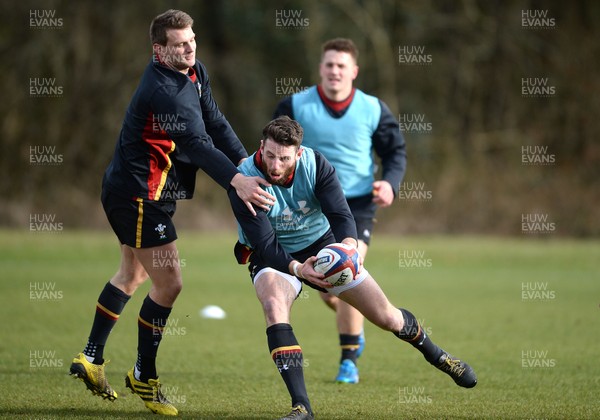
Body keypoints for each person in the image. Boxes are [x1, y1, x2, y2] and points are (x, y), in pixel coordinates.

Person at [69, 9, 275, 416]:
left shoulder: (193, 70)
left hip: (136, 191)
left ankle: (91, 357)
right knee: (171, 283)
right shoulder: (166, 91)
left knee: (133, 274)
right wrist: (238, 180)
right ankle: (144, 377)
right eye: (179, 44)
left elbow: (214, 121)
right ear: (158, 50)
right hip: (137, 198)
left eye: (192, 38)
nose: (190, 47)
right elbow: (197, 147)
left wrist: (246, 163)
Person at [230, 116, 476, 420]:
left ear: (299, 153)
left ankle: (439, 357)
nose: (276, 166)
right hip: (273, 254)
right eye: (270, 156)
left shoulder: (316, 165)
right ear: (261, 147)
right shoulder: (243, 179)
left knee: (387, 316)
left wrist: (348, 246)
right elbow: (265, 243)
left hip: (321, 247)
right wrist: (297, 268)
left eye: (284, 158)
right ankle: (301, 407)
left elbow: (342, 214)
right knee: (273, 304)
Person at [273, 38, 406, 383]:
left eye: (342, 66)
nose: (335, 71)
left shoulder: (373, 108)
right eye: (329, 64)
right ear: (321, 68)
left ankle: (349, 359)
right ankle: (355, 320)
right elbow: (274, 151)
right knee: (332, 287)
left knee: (347, 268)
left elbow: (395, 152)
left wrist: (390, 183)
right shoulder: (296, 105)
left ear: (354, 71)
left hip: (356, 206)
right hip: (310, 208)